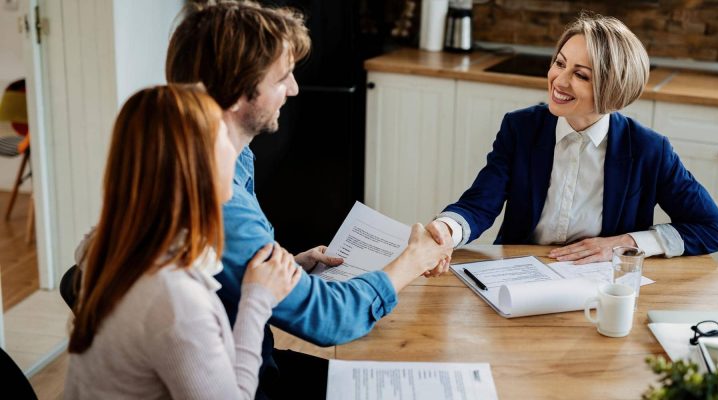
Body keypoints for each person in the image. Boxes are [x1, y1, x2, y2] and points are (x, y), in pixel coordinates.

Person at [165, 2, 452, 398]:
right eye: (282, 77)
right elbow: (330, 319)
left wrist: (289, 266)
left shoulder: (228, 158)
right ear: (235, 93)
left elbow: (228, 271)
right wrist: (411, 261)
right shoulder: (219, 201)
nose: (295, 88)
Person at [64, 85, 302, 399]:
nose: (237, 151)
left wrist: (284, 270)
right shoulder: (173, 299)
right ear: (194, 168)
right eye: (224, 141)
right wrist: (256, 300)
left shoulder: (115, 244)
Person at [430, 13, 718, 264]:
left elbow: (712, 228)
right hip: (520, 270)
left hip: (602, 283)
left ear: (613, 88)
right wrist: (446, 229)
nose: (559, 81)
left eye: (581, 75)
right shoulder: (520, 128)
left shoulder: (649, 149)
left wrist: (624, 243)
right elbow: (480, 204)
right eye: (560, 64)